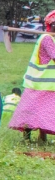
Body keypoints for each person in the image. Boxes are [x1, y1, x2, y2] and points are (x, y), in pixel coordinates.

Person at [9, 10, 55, 141]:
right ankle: (27, 138)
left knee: (45, 112)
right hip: (38, 83)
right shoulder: (47, 38)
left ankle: (42, 138)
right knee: (31, 112)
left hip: (48, 85)